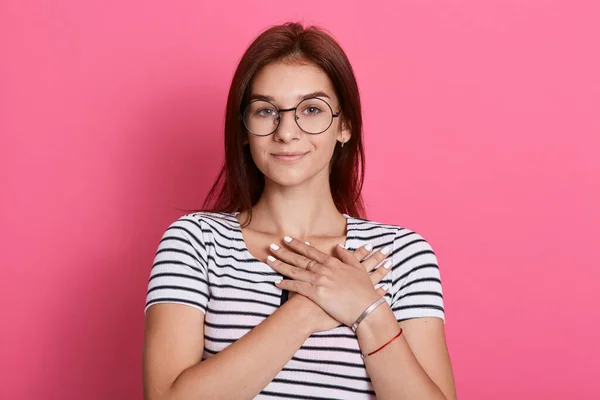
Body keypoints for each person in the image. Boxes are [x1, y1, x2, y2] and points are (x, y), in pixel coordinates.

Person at [142, 22, 456, 400]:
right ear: (242, 129)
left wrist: (367, 309)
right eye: (265, 111)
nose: (286, 132)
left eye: (311, 109)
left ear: (345, 126)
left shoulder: (401, 254)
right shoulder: (195, 242)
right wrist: (305, 310)